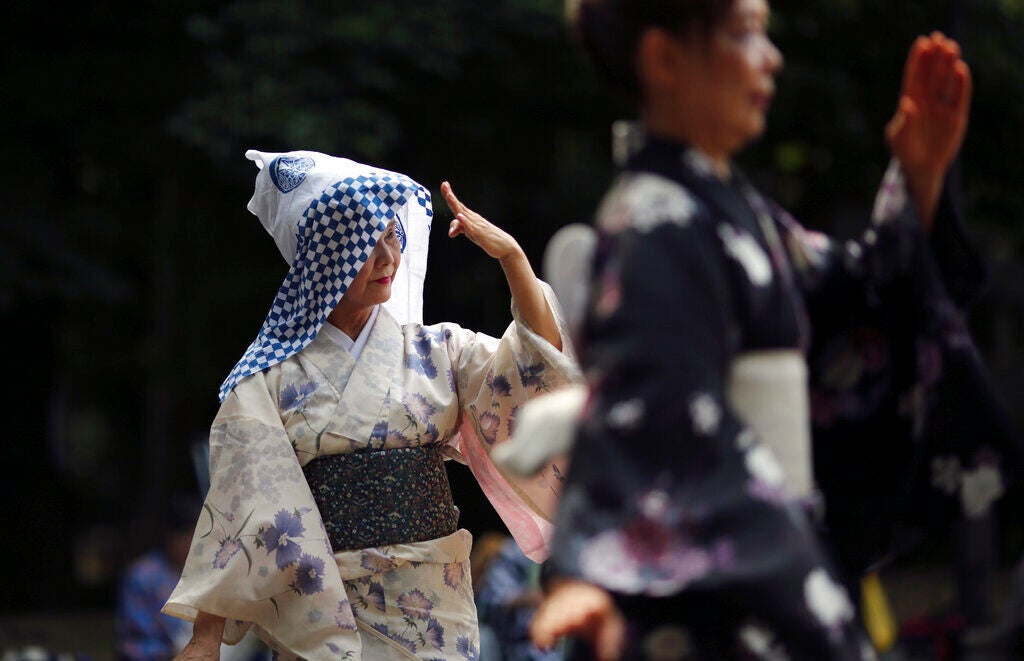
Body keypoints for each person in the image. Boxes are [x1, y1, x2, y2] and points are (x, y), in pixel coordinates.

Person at [527, 1, 1021, 659]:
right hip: (719, 591)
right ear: (665, 59)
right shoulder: (655, 224)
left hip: (762, 564)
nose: (771, 57)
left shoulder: (734, 213)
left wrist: (920, 174)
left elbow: (860, 297)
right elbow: (659, 417)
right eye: (743, 32)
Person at [161, 150, 579, 659]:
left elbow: (535, 370)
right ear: (325, 257)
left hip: (434, 605)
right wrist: (205, 639)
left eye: (391, 237)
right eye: (368, 242)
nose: (388, 257)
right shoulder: (270, 381)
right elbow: (240, 505)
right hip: (321, 607)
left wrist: (513, 259)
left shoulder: (436, 350)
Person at [116, 493, 268, 661]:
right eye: (186, 537)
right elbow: (136, 641)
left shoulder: (212, 570)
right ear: (170, 536)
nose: (191, 544)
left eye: (197, 538)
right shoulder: (142, 575)